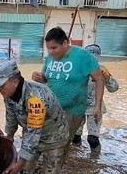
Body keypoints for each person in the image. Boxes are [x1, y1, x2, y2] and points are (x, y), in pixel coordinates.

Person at [0, 60, 69, 174]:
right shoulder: (8, 95)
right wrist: (9, 136)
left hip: (54, 138)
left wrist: (20, 162)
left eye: (1, 85)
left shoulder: (35, 99)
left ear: (14, 81)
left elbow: (34, 132)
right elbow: (11, 117)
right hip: (32, 135)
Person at [32, 27, 104, 157]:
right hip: (50, 109)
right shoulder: (49, 58)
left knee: (61, 146)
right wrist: (39, 78)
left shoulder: (83, 56)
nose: (50, 51)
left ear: (65, 43)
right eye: (48, 48)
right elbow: (45, 78)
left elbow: (99, 79)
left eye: (54, 48)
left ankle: (57, 172)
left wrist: (97, 106)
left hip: (72, 111)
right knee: (43, 142)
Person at [74, 44, 120, 148]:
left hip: (95, 108)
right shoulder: (77, 68)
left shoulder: (101, 69)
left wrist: (107, 77)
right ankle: (76, 156)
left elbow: (113, 88)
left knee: (93, 139)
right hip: (78, 108)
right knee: (74, 137)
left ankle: (95, 158)